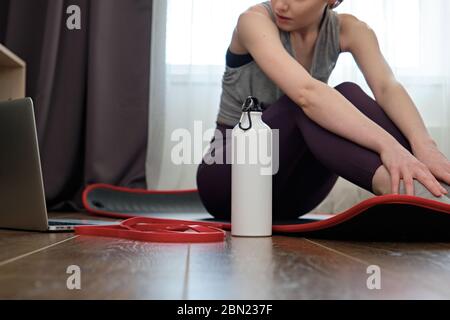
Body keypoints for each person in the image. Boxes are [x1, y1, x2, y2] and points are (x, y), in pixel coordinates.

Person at [196, 0, 450, 221]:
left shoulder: (351, 29)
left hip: (292, 196)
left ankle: (427, 182)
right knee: (304, 102)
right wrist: (390, 147)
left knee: (347, 92)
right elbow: (306, 93)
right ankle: (404, 189)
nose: (281, 5)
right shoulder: (253, 21)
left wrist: (424, 146)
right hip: (229, 181)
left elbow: (386, 87)